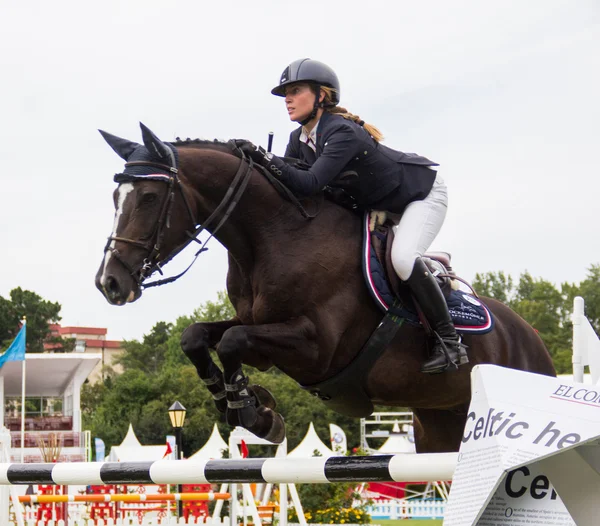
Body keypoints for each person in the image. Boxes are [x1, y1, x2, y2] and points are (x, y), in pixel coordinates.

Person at [235, 58, 467, 374]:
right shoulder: (298, 140)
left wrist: (263, 156)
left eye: (295, 90)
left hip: (421, 196)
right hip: (379, 205)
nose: (287, 99)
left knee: (401, 259)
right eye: (285, 93)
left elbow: (309, 184)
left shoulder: (341, 132)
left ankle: (450, 342)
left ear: (321, 95)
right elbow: (291, 192)